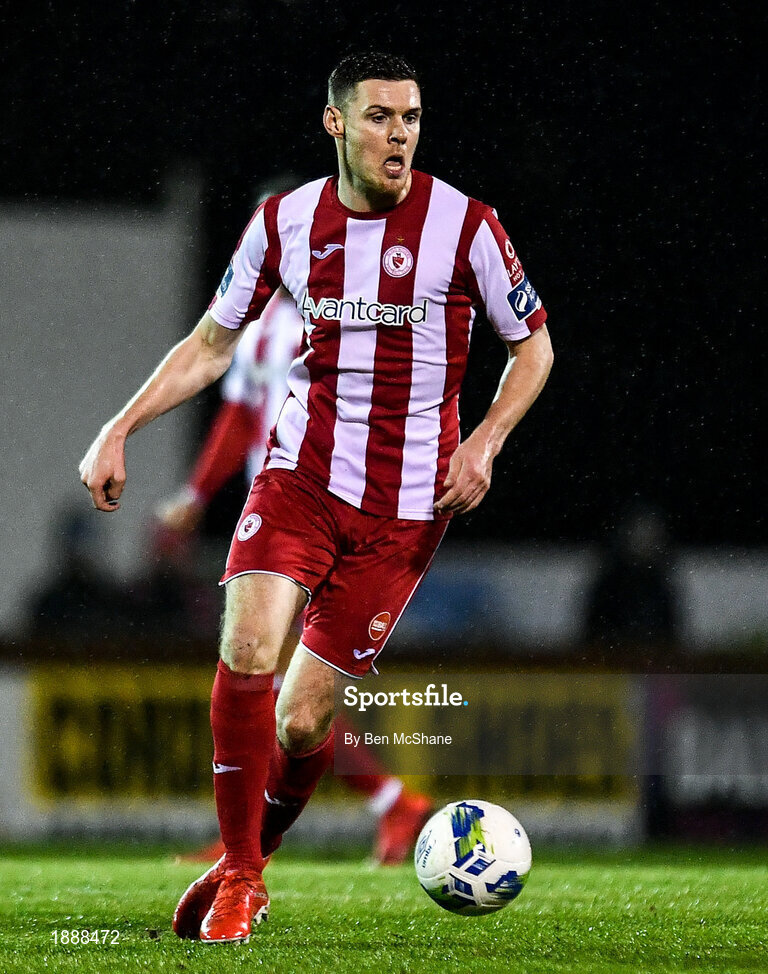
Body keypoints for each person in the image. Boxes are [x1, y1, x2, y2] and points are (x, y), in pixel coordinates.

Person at [79, 51, 553, 944]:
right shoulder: (284, 221)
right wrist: (120, 427)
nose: (400, 135)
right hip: (300, 477)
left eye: (411, 117)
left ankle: (243, 859)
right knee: (249, 644)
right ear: (336, 124)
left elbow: (534, 346)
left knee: (302, 723)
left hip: (408, 513)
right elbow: (212, 345)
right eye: (380, 117)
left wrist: (485, 443)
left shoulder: (467, 226)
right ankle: (244, 881)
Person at [158, 283, 435, 866]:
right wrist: (195, 494)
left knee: (283, 688)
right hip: (280, 516)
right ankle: (364, 810)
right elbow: (239, 418)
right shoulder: (259, 331)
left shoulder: (355, 319)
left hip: (341, 514)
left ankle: (253, 839)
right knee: (276, 686)